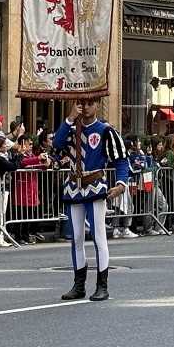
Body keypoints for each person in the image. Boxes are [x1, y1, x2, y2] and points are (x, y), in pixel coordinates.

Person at [53, 99, 128, 302]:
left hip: (95, 186)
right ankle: (78, 285)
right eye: (81, 103)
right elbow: (57, 145)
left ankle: (102, 285)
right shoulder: (69, 129)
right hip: (73, 187)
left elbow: (121, 159)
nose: (85, 107)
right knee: (76, 238)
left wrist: (121, 183)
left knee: (98, 237)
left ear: (97, 106)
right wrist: (69, 118)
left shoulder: (106, 131)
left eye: (89, 103)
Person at [0, 135, 19, 247]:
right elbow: (12, 166)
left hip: (3, 187)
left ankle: (0, 237)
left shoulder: (4, 156)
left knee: (2, 213)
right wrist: (19, 155)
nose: (7, 145)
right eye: (4, 144)